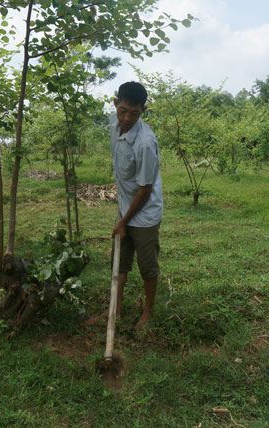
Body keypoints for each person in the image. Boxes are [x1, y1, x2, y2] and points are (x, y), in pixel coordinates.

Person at [86, 81, 163, 330]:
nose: (127, 118)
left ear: (144, 111)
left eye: (134, 113)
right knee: (119, 262)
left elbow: (145, 189)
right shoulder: (113, 122)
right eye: (123, 111)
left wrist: (124, 221)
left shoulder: (145, 143)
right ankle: (114, 310)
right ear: (115, 103)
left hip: (145, 212)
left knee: (147, 266)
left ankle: (148, 312)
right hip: (125, 206)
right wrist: (122, 217)